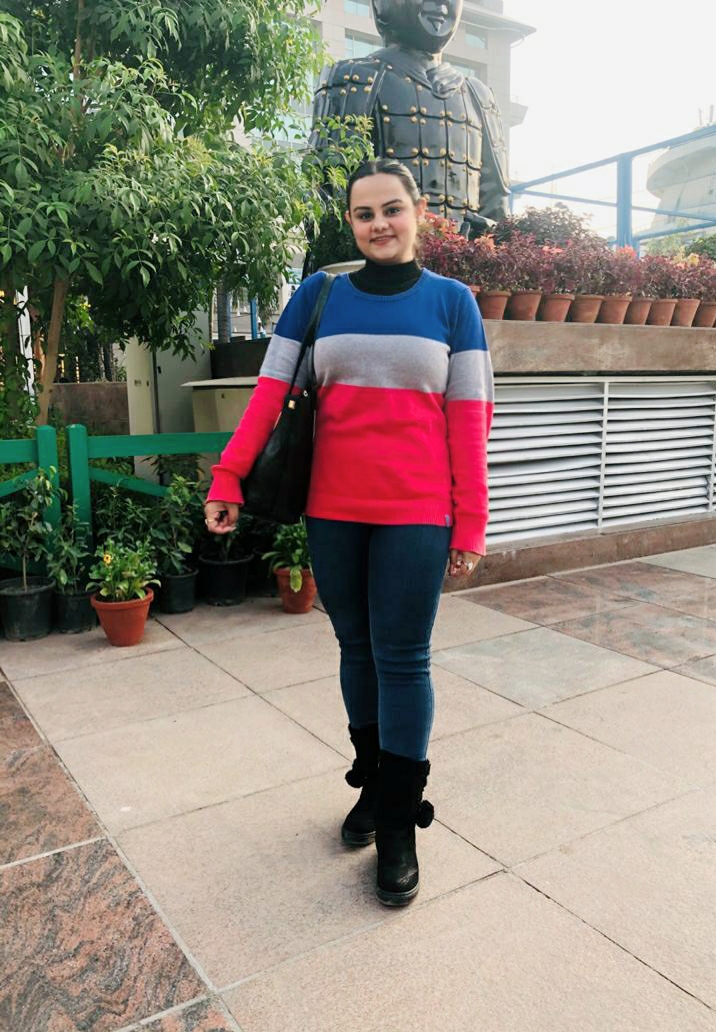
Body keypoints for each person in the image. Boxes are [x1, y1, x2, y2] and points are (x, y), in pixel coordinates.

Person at [204, 157, 493, 906]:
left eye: (392, 209)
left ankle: (399, 824)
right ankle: (372, 784)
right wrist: (228, 476)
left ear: (419, 213)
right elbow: (269, 395)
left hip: (417, 513)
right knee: (354, 648)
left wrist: (471, 520)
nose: (379, 224)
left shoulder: (453, 304)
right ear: (350, 222)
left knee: (403, 658)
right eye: (365, 214)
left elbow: (470, 421)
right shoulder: (319, 295)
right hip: (331, 509)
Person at [310, 0, 509, 225]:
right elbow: (327, 200)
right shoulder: (353, 78)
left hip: (465, 248)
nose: (440, 4)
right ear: (379, 5)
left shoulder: (478, 95)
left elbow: (497, 207)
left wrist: (484, 235)